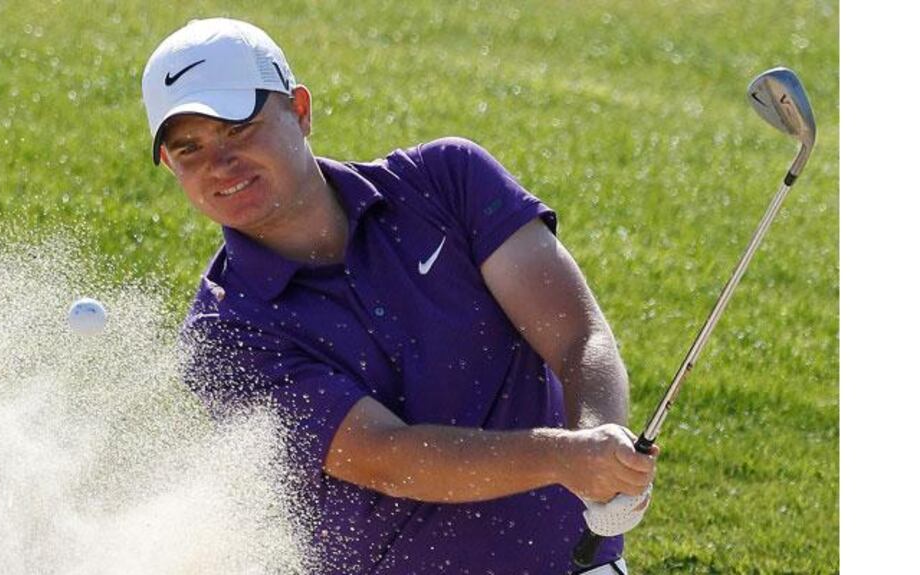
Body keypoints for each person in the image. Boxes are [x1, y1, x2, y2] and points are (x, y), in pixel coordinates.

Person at [141, 17, 658, 575]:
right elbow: (387, 457)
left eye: (239, 129)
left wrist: (602, 447)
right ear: (170, 165)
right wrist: (566, 458)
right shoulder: (224, 331)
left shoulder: (448, 181)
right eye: (189, 148)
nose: (219, 164)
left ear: (300, 109)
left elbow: (575, 334)